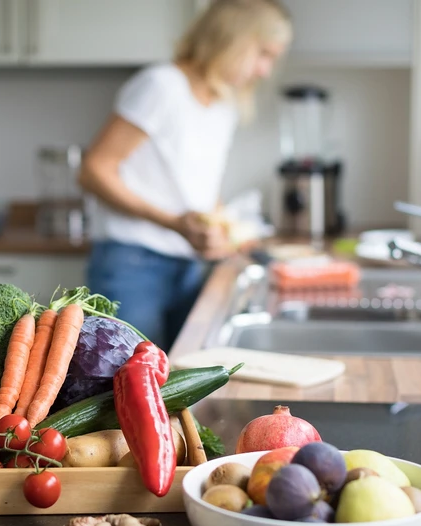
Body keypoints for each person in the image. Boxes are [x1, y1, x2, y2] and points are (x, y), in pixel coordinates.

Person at [78, 0, 292, 352]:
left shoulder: (224, 104)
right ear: (232, 39)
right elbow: (94, 170)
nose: (265, 70)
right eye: (263, 54)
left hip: (187, 265)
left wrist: (227, 233)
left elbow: (198, 188)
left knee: (178, 376)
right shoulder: (161, 85)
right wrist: (174, 223)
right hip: (132, 265)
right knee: (120, 377)